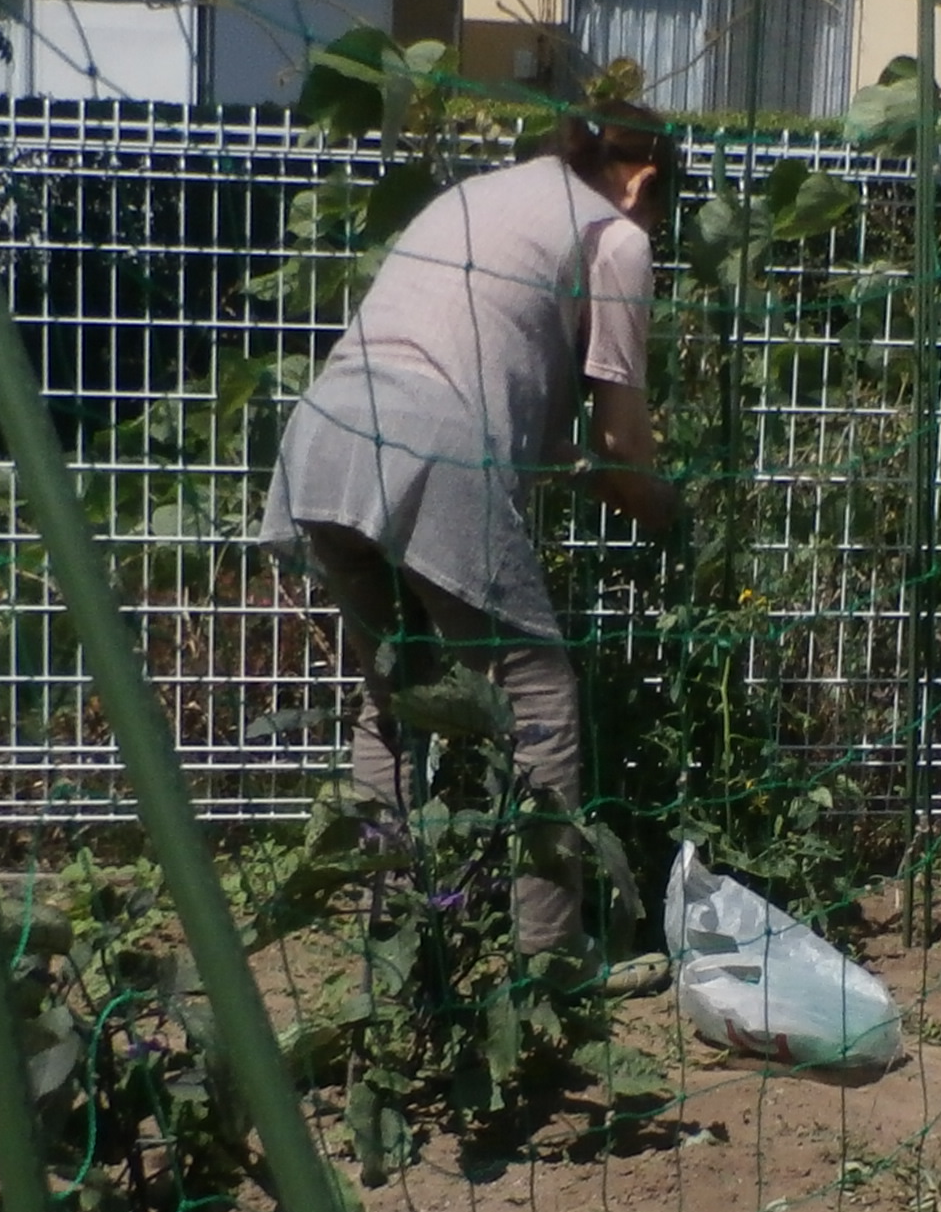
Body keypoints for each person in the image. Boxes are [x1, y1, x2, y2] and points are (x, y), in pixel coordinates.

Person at [264, 103, 682, 955]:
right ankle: (549, 964)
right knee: (540, 697)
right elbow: (622, 443)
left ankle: (385, 926)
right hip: (430, 443)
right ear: (641, 180)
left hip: (324, 435)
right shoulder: (617, 234)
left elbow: (504, 375)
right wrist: (676, 520)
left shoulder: (482, 195)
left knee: (394, 689)